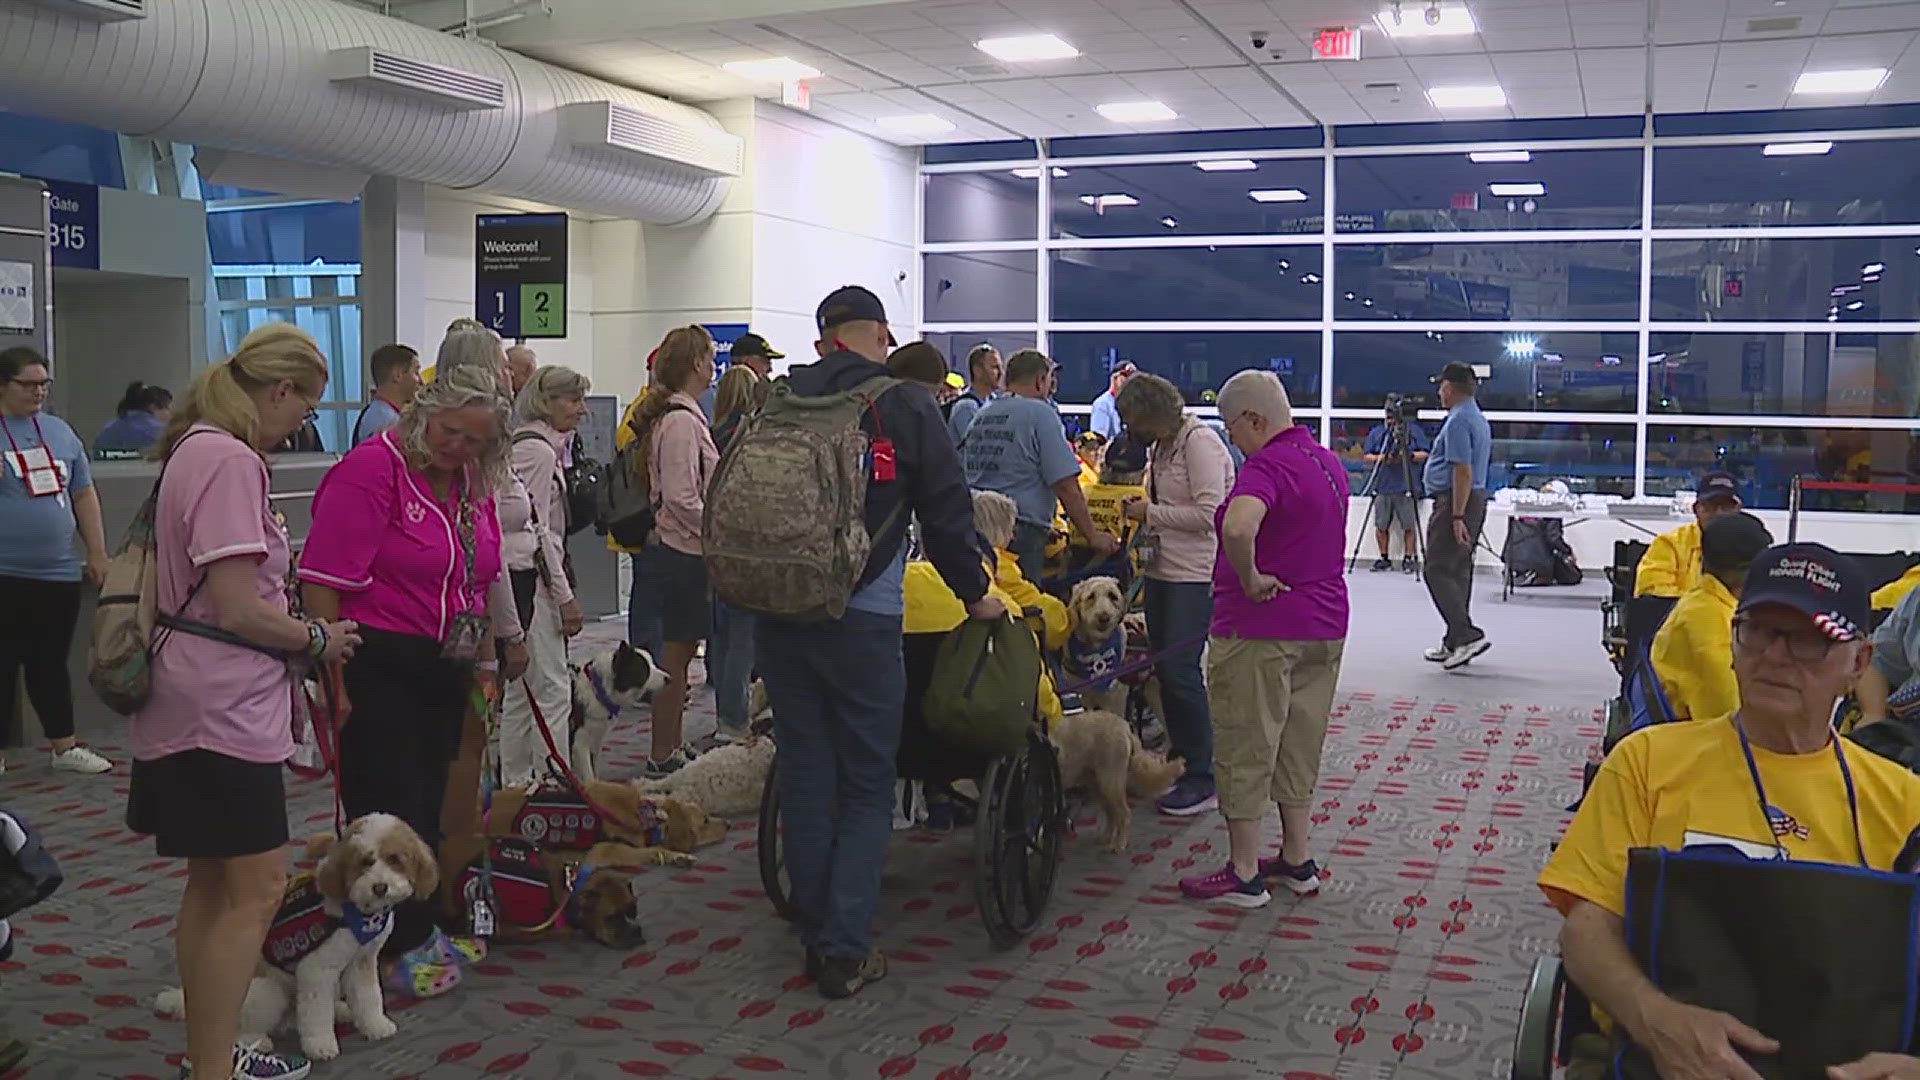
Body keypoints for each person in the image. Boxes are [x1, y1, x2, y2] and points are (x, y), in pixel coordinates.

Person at [1538, 542, 1920, 1080]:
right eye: (1758, 629)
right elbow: (1585, 928)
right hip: (1659, 1056)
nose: (1776, 655)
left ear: (1858, 662)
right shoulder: (1648, 762)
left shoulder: (1903, 804)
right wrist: (1656, 1019)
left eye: (1809, 639)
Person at [125, 323, 360, 1080]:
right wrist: (318, 640)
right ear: (279, 390)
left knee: (211, 882)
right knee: (256, 889)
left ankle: (208, 1057)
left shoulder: (193, 446)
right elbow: (237, 605)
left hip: (191, 696)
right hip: (222, 704)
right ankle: (213, 1067)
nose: (303, 424)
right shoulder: (229, 460)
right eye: (304, 407)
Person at [762, 285, 1003, 999]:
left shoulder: (776, 398)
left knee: (807, 769)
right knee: (869, 782)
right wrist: (975, 594)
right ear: (882, 336)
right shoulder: (902, 403)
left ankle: (813, 921)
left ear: (822, 340)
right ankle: (841, 949)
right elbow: (949, 510)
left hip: (775, 609)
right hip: (860, 613)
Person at [299, 363, 524, 1001]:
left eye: (474, 441)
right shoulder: (371, 471)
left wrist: (486, 657)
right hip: (375, 658)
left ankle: (411, 929)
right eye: (450, 432)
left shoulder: (468, 482)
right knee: (385, 805)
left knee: (426, 805)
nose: (458, 448)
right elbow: (323, 581)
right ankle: (392, 944)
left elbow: (477, 577)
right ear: (424, 416)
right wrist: (332, 680)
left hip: (444, 660)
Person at [1178, 371, 1349, 908]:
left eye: (1234, 430)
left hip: (1262, 630)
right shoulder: (1328, 462)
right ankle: (1297, 859)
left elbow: (1236, 527)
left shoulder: (1268, 466)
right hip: (1324, 624)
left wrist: (1250, 580)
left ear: (1254, 419)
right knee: (1299, 743)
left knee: (1247, 743)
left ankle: (1245, 871)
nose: (1235, 442)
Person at [1113, 372, 1235, 818]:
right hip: (1163, 570)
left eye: (1133, 421)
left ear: (1152, 415)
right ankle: (1183, 760)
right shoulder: (1164, 445)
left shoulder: (1198, 443)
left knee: (1181, 673)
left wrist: (1152, 512)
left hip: (1194, 573)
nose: (1130, 432)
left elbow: (1210, 514)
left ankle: (1202, 775)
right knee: (1165, 671)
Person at [0, 347, 111, 776]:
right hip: (5, 570)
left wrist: (97, 552)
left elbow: (83, 493)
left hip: (58, 570)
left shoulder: (58, 432)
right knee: (2, 663)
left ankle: (64, 745)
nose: (38, 392)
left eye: (43, 384)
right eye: (28, 385)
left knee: (50, 661)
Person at [629, 325, 720, 777]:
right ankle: (662, 752)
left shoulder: (680, 416)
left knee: (679, 658)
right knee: (676, 659)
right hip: (682, 551)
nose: (714, 364)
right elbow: (683, 497)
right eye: (708, 356)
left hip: (681, 549)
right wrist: (719, 533)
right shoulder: (682, 422)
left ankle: (668, 747)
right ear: (694, 363)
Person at [500, 365, 590, 788]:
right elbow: (537, 531)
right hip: (533, 584)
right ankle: (551, 782)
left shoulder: (532, 446)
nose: (581, 410)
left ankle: (518, 784)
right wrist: (564, 595)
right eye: (572, 401)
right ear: (547, 402)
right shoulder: (537, 451)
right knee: (552, 689)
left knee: (523, 690)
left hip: (526, 581)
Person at [961, 349, 1118, 581]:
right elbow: (1065, 484)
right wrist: (1092, 536)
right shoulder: (1040, 413)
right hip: (1019, 531)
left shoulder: (983, 413)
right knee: (1024, 604)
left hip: (976, 524)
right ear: (1040, 381)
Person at [1650, 512, 1774, 722]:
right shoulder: (1707, 620)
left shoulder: (1709, 603)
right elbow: (1730, 715)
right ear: (1747, 571)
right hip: (1697, 742)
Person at [1420, 362, 1494, 670]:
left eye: (1441, 386)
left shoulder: (1459, 421)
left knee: (1436, 569)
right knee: (1457, 571)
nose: (1439, 392)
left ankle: (1466, 635)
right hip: (1471, 498)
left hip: (1456, 501)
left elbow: (1462, 470)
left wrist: (1456, 516)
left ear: (1450, 388)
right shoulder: (1476, 416)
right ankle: (1454, 640)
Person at [708, 364, 767, 743]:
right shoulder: (752, 437)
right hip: (745, 546)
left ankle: (726, 715)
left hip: (716, 545)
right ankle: (734, 718)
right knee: (744, 641)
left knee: (725, 636)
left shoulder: (713, 432)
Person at [1636, 471, 1745, 599]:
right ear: (1695, 509)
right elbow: (1653, 594)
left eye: (1726, 507)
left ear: (1739, 509)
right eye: (1710, 506)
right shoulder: (1669, 544)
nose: (1718, 513)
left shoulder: (1751, 546)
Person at [1360, 403, 1431, 573]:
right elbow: (1367, 456)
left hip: (1405, 485)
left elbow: (1426, 453)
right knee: (1381, 524)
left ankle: (1409, 558)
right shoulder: (1377, 433)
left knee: (1408, 525)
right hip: (1383, 486)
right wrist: (1383, 458)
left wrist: (1409, 456)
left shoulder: (1413, 431)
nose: (1390, 419)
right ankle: (1384, 558)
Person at [352, 344, 422, 446]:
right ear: (398, 375)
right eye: (416, 372)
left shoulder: (376, 414)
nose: (421, 381)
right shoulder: (386, 422)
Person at [946, 343, 1002, 445]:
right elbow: (977, 445)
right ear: (978, 371)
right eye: (994, 367)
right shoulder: (966, 407)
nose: (1000, 373)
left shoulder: (994, 402)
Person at [95, 381, 173, 453]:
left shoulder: (108, 428)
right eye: (168, 409)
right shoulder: (161, 432)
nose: (170, 414)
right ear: (153, 407)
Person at [1088, 361, 1136, 441]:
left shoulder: (1135, 404)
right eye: (1125, 376)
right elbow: (1099, 440)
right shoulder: (1103, 404)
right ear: (1114, 378)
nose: (1129, 381)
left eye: (1132, 377)